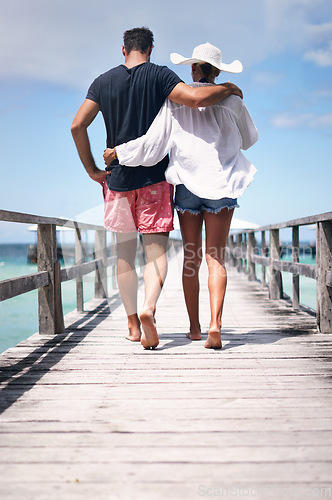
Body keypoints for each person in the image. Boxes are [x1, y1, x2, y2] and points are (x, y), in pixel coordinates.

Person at [71, 29, 243, 350]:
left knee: (124, 256)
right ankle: (151, 306)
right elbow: (193, 99)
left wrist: (94, 170)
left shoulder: (103, 82)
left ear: (123, 49)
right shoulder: (161, 76)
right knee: (155, 253)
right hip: (154, 181)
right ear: (152, 48)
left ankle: (133, 324)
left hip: (117, 181)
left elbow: (77, 125)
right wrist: (227, 88)